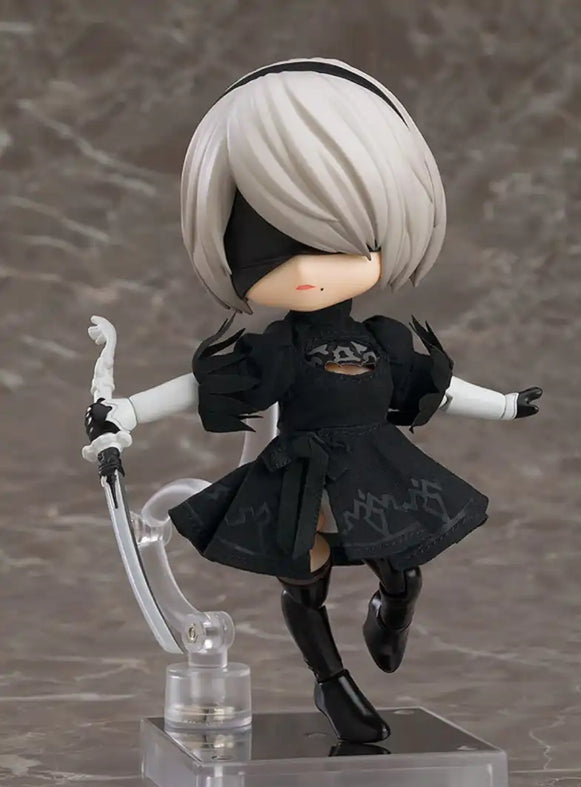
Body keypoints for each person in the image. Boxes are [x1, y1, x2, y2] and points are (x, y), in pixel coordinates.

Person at [85, 58, 542, 743]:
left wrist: (505, 405)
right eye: (264, 251)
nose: (302, 269)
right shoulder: (276, 350)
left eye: (331, 242)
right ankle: (332, 683)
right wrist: (126, 411)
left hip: (375, 469)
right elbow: (207, 385)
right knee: (305, 578)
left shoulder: (382, 341)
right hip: (298, 478)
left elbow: (435, 388)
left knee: (402, 567)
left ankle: (391, 611)